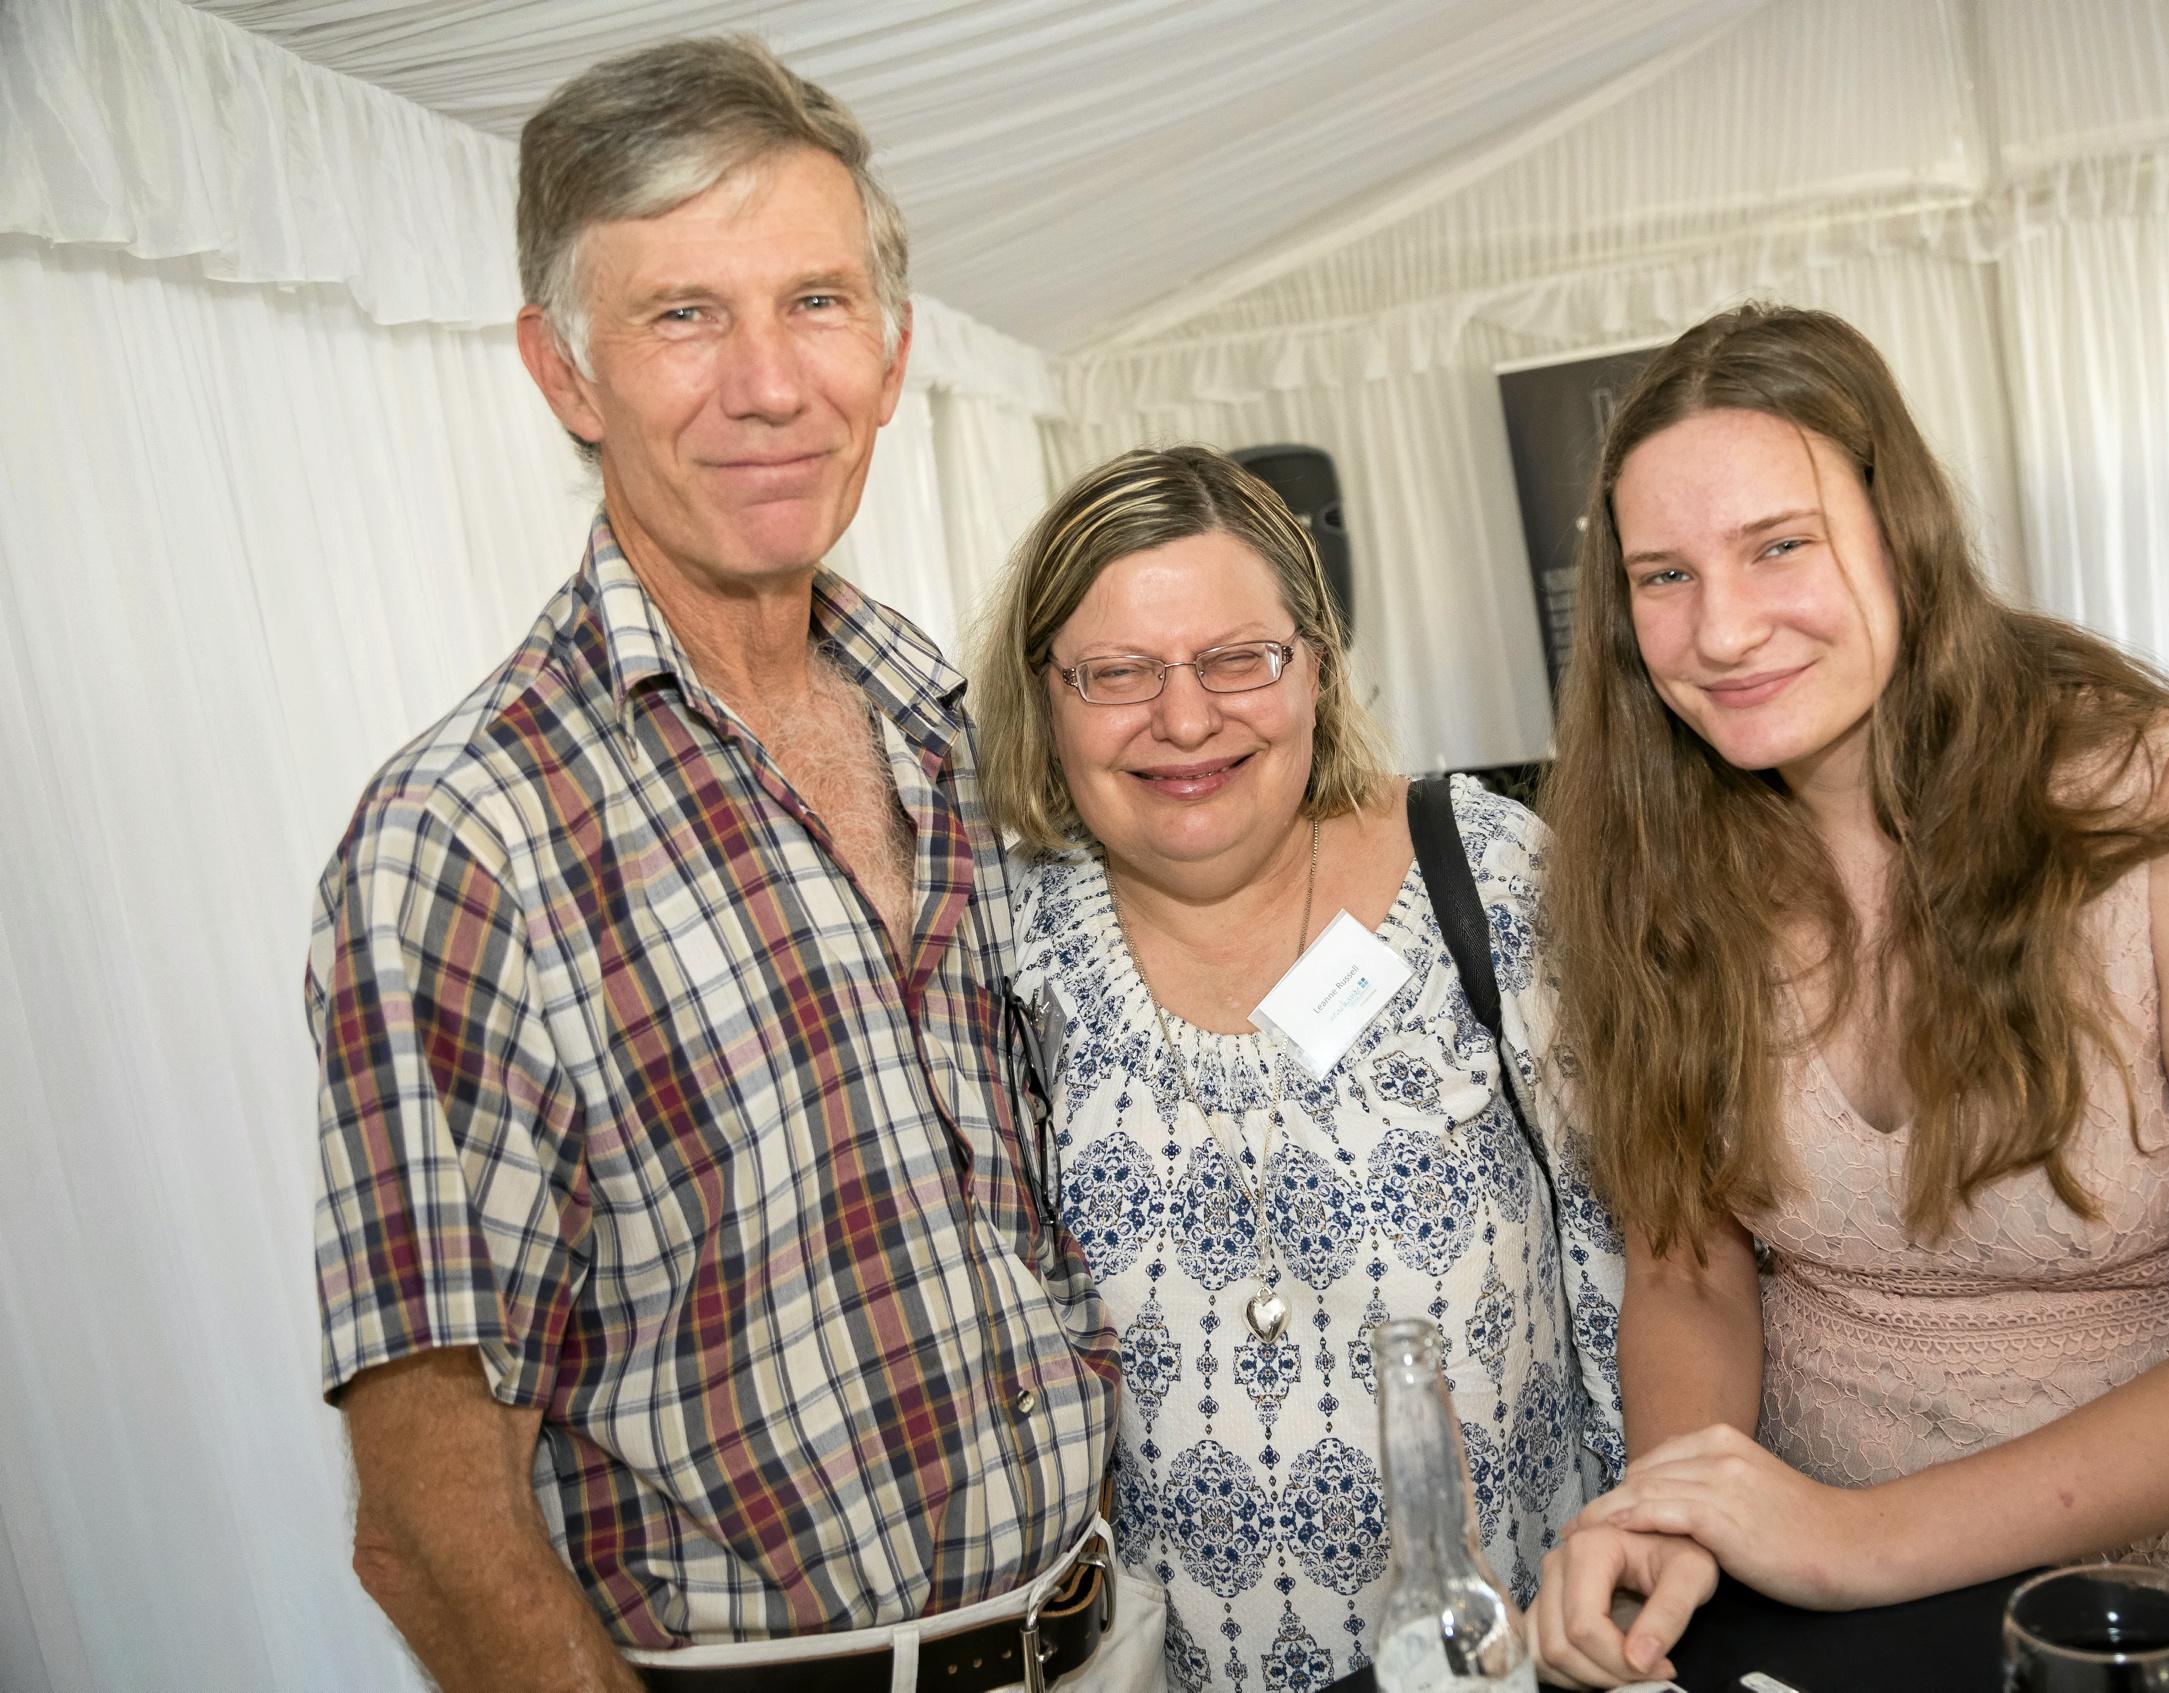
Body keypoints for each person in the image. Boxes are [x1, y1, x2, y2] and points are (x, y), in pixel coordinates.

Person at [306, 38, 1153, 1692]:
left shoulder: (948, 727)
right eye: (685, 314)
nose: (771, 383)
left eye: (816, 303)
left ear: (893, 350)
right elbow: (425, 1510)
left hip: (1111, 1635)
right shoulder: (464, 836)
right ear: (564, 373)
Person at [1525, 302, 2169, 1685]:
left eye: (1778, 545)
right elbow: (1683, 1270)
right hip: (1853, 1628)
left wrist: (1857, 1538)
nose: (1718, 629)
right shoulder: (1645, 865)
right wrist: (1681, 1507)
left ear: (1903, 534)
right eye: (1661, 576)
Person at [972, 445, 1626, 1691]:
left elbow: (1643, 1263)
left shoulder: (1481, 875)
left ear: (1314, 666)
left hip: (1529, 1657)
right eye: (1117, 673)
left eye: (1238, 659)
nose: (1184, 717)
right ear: (1043, 697)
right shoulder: (1006, 954)